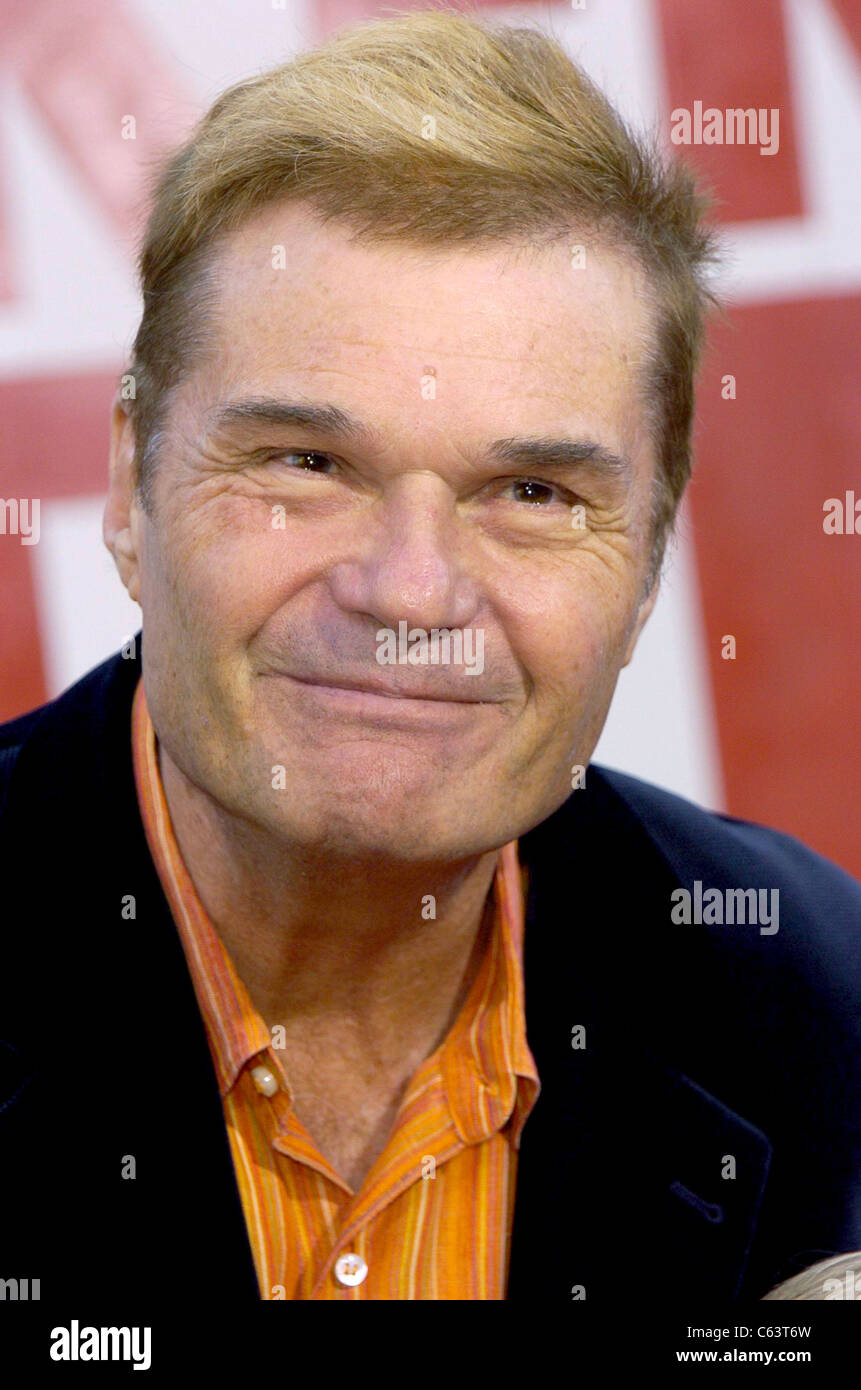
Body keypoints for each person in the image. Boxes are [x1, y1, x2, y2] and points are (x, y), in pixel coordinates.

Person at [1, 9, 859, 1304]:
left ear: (644, 561)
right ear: (132, 487)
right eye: (305, 464)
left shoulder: (814, 993)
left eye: (530, 491)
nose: (408, 589)